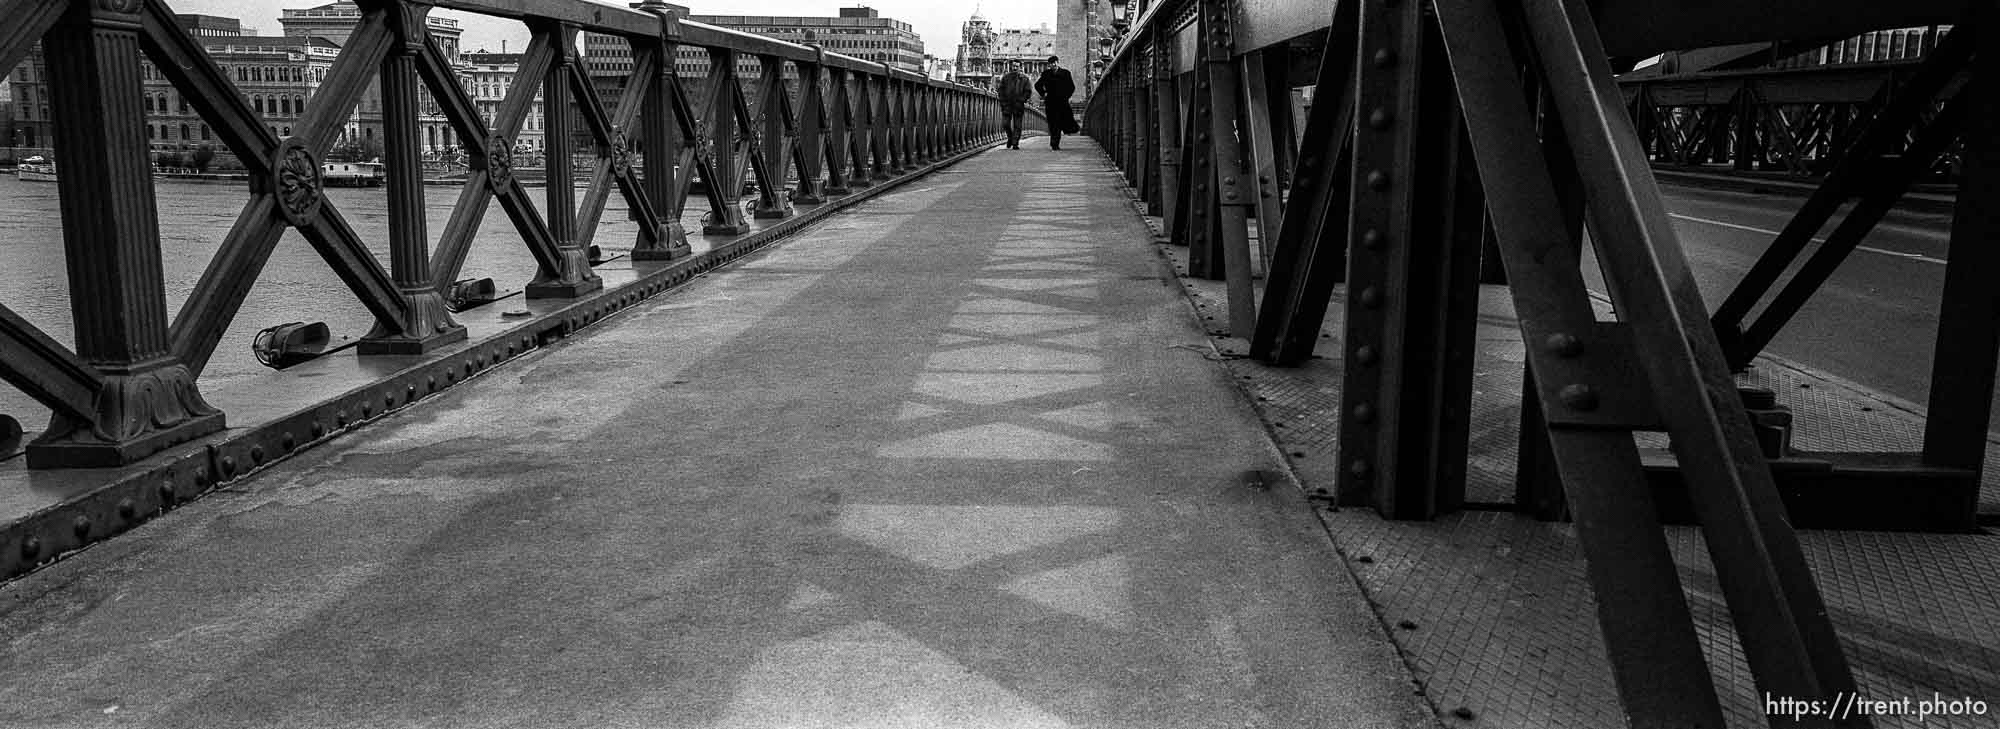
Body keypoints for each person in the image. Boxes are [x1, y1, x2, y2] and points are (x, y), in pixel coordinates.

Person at [1034, 55, 1078, 150]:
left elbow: (1071, 87)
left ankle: (1055, 142)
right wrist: (1044, 93)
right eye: (1051, 63)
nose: (1053, 65)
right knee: (1052, 122)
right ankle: (1054, 142)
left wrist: (1066, 96)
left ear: (1057, 62)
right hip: (1050, 102)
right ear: (1049, 65)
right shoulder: (1046, 74)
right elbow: (1037, 85)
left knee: (1059, 122)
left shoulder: (1066, 73)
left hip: (1062, 102)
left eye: (1054, 63)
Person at [996, 62, 1033, 150]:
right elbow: (1000, 90)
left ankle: (1015, 143)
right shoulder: (1006, 78)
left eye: (1017, 66)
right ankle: (1010, 138)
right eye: (1013, 66)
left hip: (1018, 105)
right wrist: (1003, 102)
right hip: (1007, 105)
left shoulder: (1025, 79)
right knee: (1005, 124)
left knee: (1018, 125)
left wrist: (1022, 100)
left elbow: (1028, 91)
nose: (1015, 68)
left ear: (1020, 67)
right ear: (1011, 66)